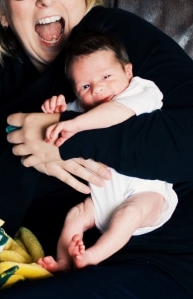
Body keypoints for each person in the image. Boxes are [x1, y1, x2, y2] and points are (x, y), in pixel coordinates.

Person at [0, 0, 193, 298]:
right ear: (2, 12)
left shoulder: (117, 39)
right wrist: (30, 151)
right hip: (70, 269)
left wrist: (61, 136)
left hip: (167, 258)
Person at [37, 31, 177, 272]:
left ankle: (92, 256)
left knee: (129, 214)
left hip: (148, 194)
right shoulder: (82, 108)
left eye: (106, 76)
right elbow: (52, 126)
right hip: (102, 197)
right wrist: (55, 112)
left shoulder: (142, 90)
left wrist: (74, 123)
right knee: (76, 215)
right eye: (86, 86)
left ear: (128, 71)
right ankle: (63, 260)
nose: (99, 89)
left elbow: (116, 113)